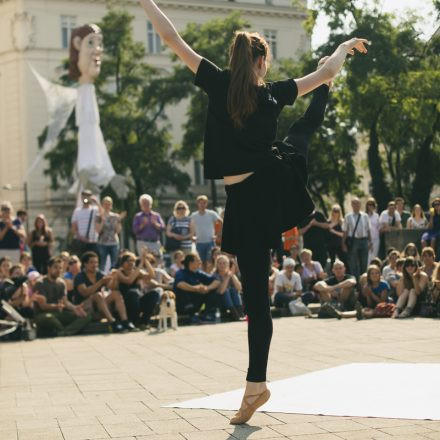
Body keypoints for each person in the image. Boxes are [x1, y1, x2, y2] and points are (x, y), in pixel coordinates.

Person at [139, 0, 368, 424]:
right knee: (298, 136)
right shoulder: (271, 92)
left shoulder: (219, 83)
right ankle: (254, 386)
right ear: (261, 61)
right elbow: (328, 71)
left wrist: (146, 1)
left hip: (250, 197)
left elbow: (171, 38)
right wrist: (343, 46)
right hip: (266, 189)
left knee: (256, 300)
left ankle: (255, 386)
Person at [32, 257, 91, 337]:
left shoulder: (61, 283)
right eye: (55, 267)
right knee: (49, 318)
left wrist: (75, 308)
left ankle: (63, 332)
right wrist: (57, 306)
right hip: (42, 315)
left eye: (60, 268)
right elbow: (43, 306)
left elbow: (65, 302)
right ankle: (65, 331)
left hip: (58, 313)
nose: (59, 270)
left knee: (86, 316)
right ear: (49, 268)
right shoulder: (40, 283)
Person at [73, 251, 127, 332]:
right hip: (84, 308)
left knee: (116, 294)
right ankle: (112, 322)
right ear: (85, 264)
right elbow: (85, 293)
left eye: (96, 262)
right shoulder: (79, 276)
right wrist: (101, 282)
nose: (95, 265)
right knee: (97, 295)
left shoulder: (100, 274)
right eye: (91, 262)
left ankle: (125, 321)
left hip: (99, 307)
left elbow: (113, 287)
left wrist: (115, 278)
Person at [110, 251, 153, 330]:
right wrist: (140, 265)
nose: (131, 263)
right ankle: (132, 322)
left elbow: (150, 275)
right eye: (129, 260)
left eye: (133, 261)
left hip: (138, 300)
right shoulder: (118, 272)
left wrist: (145, 260)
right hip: (125, 303)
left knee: (155, 293)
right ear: (123, 262)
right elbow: (129, 280)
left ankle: (143, 322)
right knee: (133, 292)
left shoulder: (137, 271)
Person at [173, 252, 221, 322]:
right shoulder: (180, 273)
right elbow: (180, 284)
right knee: (182, 291)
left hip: (195, 303)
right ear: (191, 263)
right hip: (183, 305)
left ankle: (206, 314)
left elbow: (217, 281)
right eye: (198, 260)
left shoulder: (199, 273)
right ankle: (190, 315)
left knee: (213, 291)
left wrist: (207, 288)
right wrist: (195, 288)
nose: (200, 262)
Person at [342, 197, 371, 279]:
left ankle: (363, 280)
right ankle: (355, 281)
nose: (356, 205)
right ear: (351, 205)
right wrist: (343, 243)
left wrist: (370, 242)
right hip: (353, 241)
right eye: (354, 203)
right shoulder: (348, 216)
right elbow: (345, 231)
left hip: (364, 240)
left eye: (358, 203)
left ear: (360, 204)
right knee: (353, 263)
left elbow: (368, 230)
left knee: (364, 262)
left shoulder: (365, 216)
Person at [191, 195, 222, 271]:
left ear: (206, 204)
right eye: (200, 203)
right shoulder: (193, 215)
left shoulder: (211, 213)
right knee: (201, 262)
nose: (202, 204)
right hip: (199, 242)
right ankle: (204, 279)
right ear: (198, 204)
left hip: (210, 242)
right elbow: (190, 227)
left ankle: (209, 278)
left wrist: (218, 234)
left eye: (204, 203)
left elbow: (221, 222)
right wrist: (192, 236)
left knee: (210, 261)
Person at [95, 196, 125, 271]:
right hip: (102, 243)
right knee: (102, 263)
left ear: (111, 205)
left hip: (113, 243)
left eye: (109, 204)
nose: (107, 206)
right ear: (102, 205)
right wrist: (102, 220)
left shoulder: (115, 216)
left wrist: (118, 221)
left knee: (114, 264)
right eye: (105, 204)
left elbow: (118, 231)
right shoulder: (98, 216)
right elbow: (98, 230)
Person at [132, 194, 165, 259]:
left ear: (151, 204)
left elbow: (163, 228)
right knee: (144, 262)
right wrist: (142, 225)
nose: (146, 205)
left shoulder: (156, 215)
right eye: (144, 203)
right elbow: (135, 231)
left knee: (158, 260)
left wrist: (155, 224)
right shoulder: (138, 216)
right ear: (141, 205)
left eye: (147, 203)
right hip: (142, 242)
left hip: (155, 243)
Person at [214, 254, 244, 321]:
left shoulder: (230, 274)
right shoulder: (215, 275)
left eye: (224, 263)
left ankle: (240, 314)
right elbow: (221, 291)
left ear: (228, 265)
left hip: (231, 301)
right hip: (219, 301)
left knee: (233, 290)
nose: (222, 265)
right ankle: (236, 316)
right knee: (226, 291)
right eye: (220, 263)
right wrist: (227, 277)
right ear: (216, 265)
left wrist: (232, 275)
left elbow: (239, 288)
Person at [71, 190, 100, 257]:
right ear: (81, 197)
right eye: (84, 196)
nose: (86, 198)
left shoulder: (95, 209)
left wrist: (97, 202)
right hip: (81, 242)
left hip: (93, 241)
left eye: (88, 196)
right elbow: (73, 228)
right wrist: (81, 237)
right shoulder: (77, 211)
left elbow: (103, 214)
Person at [366, 198, 380, 263]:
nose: (370, 206)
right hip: (367, 239)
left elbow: (378, 227)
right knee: (368, 256)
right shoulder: (365, 216)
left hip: (376, 238)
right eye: (369, 205)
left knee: (374, 256)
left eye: (372, 205)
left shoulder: (377, 216)